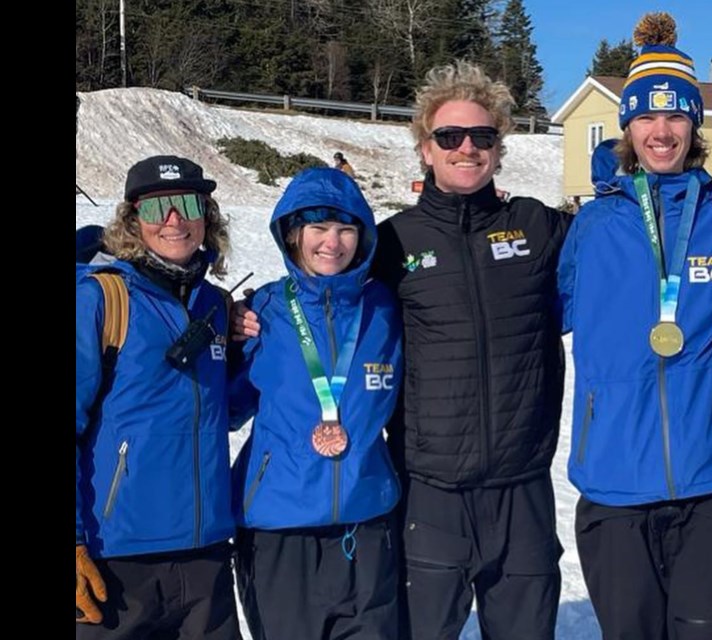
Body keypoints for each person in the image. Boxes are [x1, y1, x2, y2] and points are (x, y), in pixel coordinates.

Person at [556, 12, 712, 640]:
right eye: (646, 116)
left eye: (676, 117)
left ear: (694, 126)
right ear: (627, 128)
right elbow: (527, 313)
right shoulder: (593, 226)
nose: (661, 131)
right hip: (615, 479)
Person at [373, 60, 570, 640]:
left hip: (523, 488)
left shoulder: (536, 226)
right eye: (449, 137)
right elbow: (325, 291)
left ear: (498, 147)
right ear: (425, 149)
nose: (467, 148)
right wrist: (247, 316)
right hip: (431, 493)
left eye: (482, 136)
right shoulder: (393, 242)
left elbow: (619, 257)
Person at [228, 167, 404, 639]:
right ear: (293, 234)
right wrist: (223, 337)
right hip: (278, 529)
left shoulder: (387, 310)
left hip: (366, 525)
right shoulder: (262, 311)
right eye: (318, 228)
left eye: (346, 229)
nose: (333, 242)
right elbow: (225, 408)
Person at [76, 155, 241, 639]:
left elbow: (223, 411)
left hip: (206, 555)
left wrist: (253, 352)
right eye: (156, 209)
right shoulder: (101, 299)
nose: (173, 219)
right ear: (133, 220)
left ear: (205, 216)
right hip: (114, 558)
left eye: (187, 203)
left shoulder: (214, 305)